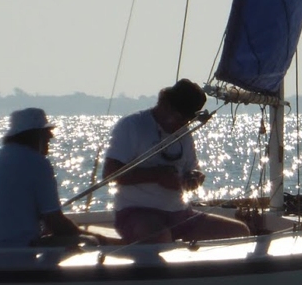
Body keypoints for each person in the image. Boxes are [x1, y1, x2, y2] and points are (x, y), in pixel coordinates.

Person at [104, 79, 251, 244]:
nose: (183, 124)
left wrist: (193, 179)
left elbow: (193, 171)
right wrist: (157, 176)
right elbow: (110, 174)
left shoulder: (184, 133)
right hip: (137, 212)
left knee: (239, 231)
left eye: (188, 120)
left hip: (179, 213)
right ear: (165, 104)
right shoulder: (132, 125)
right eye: (180, 117)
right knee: (160, 237)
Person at [0, 108, 96, 267]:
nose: (51, 136)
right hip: (11, 257)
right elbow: (56, 222)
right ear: (35, 136)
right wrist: (95, 238)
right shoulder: (36, 163)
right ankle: (48, 284)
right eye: (46, 132)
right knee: (78, 241)